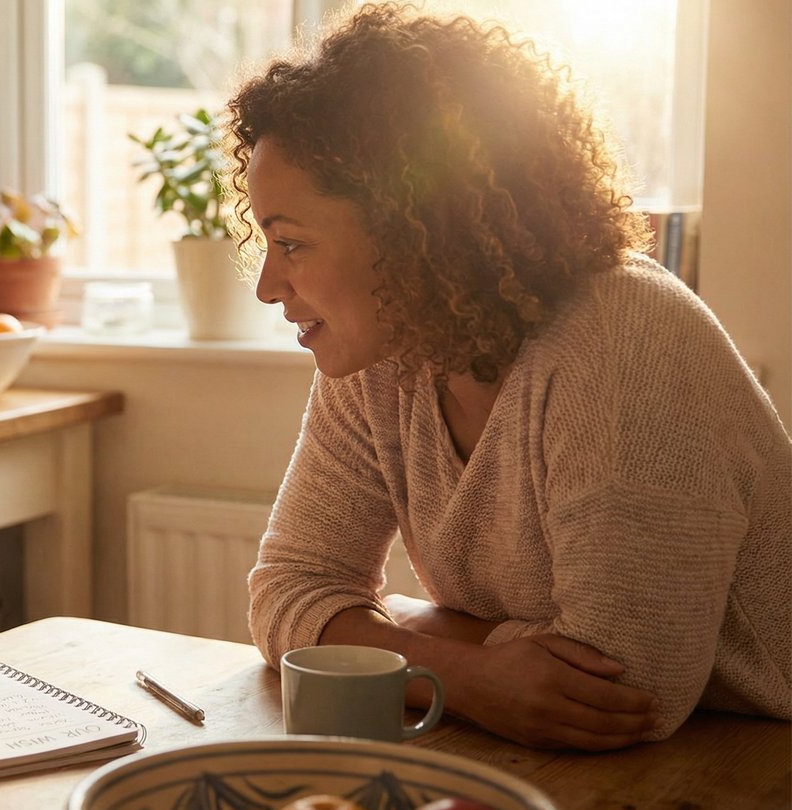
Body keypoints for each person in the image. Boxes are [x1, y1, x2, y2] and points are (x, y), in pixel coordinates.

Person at [232, 4, 791, 751]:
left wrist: (415, 626)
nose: (268, 286)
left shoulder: (624, 340)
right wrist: (459, 670)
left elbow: (625, 690)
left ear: (410, 224)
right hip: (652, 761)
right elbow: (288, 589)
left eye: (292, 243)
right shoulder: (380, 354)